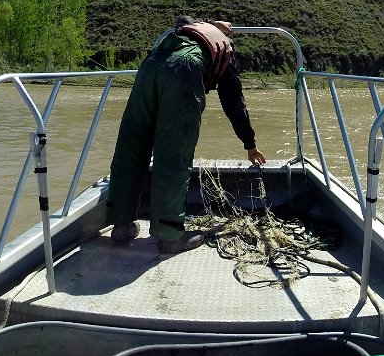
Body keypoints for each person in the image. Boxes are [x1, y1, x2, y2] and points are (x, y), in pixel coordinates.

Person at [105, 16, 266, 255]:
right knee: (173, 153)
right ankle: (170, 237)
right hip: (184, 70)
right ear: (226, 34)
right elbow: (234, 104)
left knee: (133, 144)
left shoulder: (178, 34)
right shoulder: (224, 47)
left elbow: (187, 21)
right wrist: (250, 145)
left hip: (149, 66)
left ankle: (120, 226)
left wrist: (212, 23)